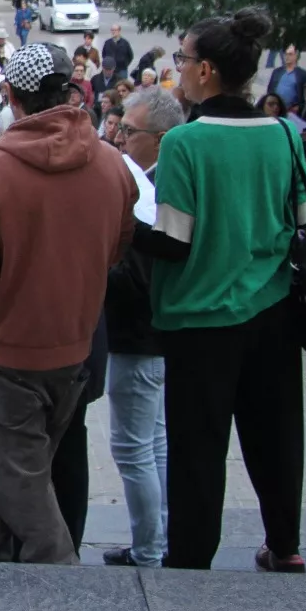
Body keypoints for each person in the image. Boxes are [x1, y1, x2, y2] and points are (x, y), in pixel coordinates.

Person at [0, 43, 135, 566]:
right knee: (21, 468)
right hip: (75, 341)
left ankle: (61, 575)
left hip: (8, 346)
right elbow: (118, 247)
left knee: (20, 475)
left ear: (11, 95)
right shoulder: (111, 161)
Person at [143, 7, 306, 572]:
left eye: (183, 59)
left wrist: (123, 228)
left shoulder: (185, 143)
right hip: (273, 309)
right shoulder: (286, 135)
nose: (179, 70)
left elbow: (175, 240)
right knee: (276, 435)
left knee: (198, 447)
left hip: (201, 318)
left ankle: (191, 557)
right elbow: (303, 220)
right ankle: (284, 545)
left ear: (207, 71)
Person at [101, 88, 184, 567]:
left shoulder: (152, 189)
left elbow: (137, 273)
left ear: (162, 138)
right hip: (150, 333)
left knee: (134, 448)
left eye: (130, 131)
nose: (120, 137)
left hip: (140, 334)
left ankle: (150, 550)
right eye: (120, 127)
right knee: (153, 443)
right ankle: (160, 540)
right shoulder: (147, 181)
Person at [265, 45, 306, 113]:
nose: (287, 57)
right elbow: (270, 89)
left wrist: (299, 107)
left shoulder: (302, 74)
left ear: (296, 55)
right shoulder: (277, 72)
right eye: (285, 54)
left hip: (292, 111)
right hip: (275, 109)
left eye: (290, 54)